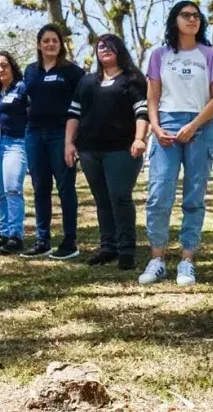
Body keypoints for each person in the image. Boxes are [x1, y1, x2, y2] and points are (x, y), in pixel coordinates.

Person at [139, 0, 213, 287]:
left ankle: (187, 260)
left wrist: (194, 124)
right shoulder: (159, 55)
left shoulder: (209, 55)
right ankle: (157, 260)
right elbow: (152, 97)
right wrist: (155, 127)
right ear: (174, 20)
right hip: (166, 125)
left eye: (196, 16)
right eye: (186, 15)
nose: (192, 19)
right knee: (159, 195)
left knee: (194, 197)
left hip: (201, 126)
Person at [65, 34, 149, 270]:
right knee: (102, 199)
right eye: (101, 46)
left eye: (110, 46)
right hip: (90, 150)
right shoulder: (87, 81)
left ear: (120, 50)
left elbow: (142, 112)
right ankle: (108, 248)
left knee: (120, 197)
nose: (105, 49)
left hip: (121, 150)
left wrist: (139, 138)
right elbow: (74, 114)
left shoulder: (132, 79)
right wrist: (69, 143)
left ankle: (127, 251)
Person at [23, 24, 85, 259]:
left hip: (61, 135)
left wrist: (74, 139)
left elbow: (82, 105)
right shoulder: (30, 71)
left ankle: (69, 241)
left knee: (66, 188)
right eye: (46, 41)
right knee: (40, 188)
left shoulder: (73, 72)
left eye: (54, 41)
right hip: (34, 134)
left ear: (61, 44)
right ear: (39, 45)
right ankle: (43, 240)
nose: (50, 44)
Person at [0, 51, 29, 254]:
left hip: (15, 143)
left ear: (12, 66)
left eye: (4, 65)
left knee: (13, 189)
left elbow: (31, 113)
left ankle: (16, 236)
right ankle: (3, 233)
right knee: (0, 192)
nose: (0, 70)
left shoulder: (22, 87)